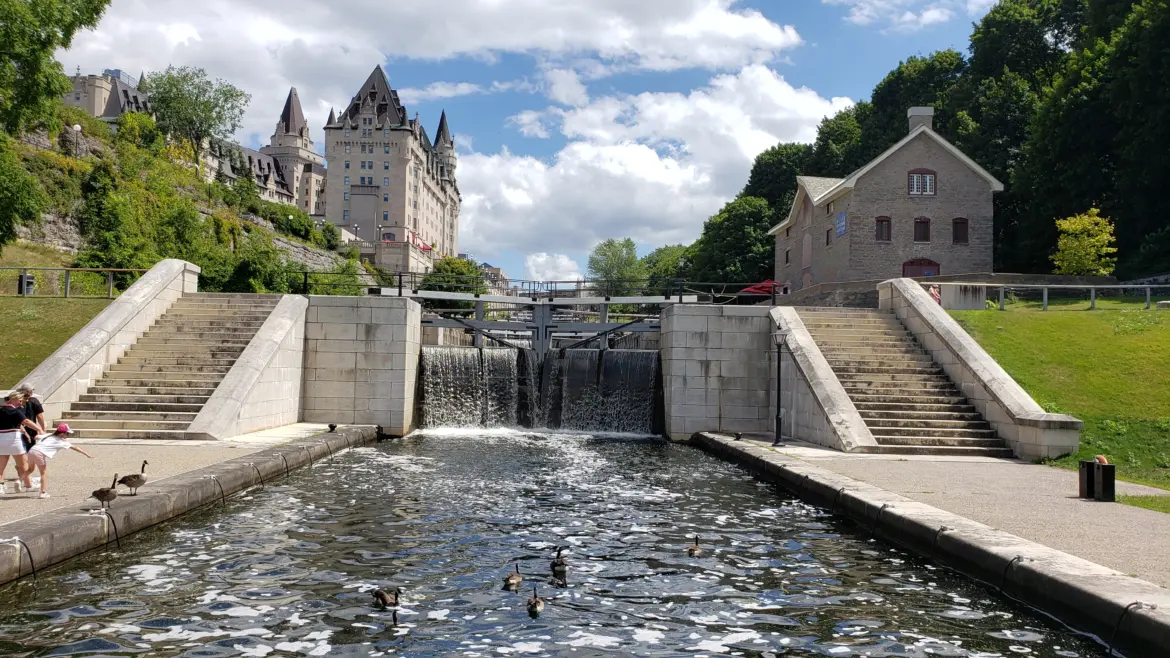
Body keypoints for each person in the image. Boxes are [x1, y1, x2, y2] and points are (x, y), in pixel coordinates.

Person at [28, 424, 92, 499]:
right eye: (67, 433)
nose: (68, 435)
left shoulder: (49, 435)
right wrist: (85, 453)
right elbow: (74, 447)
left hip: (31, 451)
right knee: (43, 473)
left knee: (30, 469)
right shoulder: (61, 441)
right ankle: (43, 492)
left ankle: (19, 480)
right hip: (39, 454)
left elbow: (36, 437)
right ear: (62, 433)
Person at [0, 391, 39, 493]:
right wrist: (39, 429)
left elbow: (17, 423)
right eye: (20, 400)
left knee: (1, 466)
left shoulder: (1, 409)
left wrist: (24, 431)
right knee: (23, 464)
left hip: (1, 439)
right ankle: (28, 485)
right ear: (13, 399)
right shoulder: (16, 411)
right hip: (13, 439)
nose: (21, 403)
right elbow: (26, 421)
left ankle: (0, 487)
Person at [18, 384, 44, 453]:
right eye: (31, 390)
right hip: (30, 429)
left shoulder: (16, 401)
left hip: (19, 429)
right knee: (30, 451)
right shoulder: (34, 401)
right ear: (28, 391)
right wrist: (42, 429)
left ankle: (23, 463)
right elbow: (40, 417)